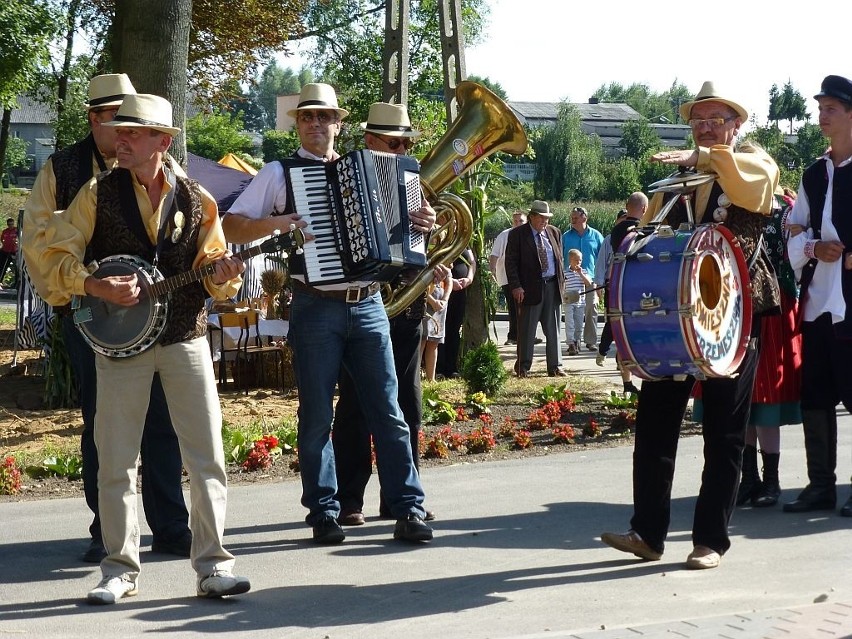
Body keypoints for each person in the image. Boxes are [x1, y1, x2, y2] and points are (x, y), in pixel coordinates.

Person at [39, 93, 250, 604]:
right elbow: (53, 253)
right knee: (115, 459)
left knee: (207, 458)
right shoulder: (95, 192)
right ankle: (119, 569)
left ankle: (213, 567)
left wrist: (226, 276)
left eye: (133, 132)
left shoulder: (200, 201)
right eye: (119, 130)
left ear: (163, 140)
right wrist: (96, 287)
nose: (120, 139)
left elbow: (215, 266)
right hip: (118, 346)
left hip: (185, 337)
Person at [222, 85, 433, 544]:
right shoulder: (280, 172)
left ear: (340, 123)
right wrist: (277, 223)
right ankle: (323, 510)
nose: (316, 124)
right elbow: (231, 224)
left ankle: (408, 507)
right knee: (317, 413)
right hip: (314, 304)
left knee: (389, 410)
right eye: (307, 117)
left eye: (325, 117)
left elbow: (405, 229)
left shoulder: (374, 168)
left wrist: (421, 223)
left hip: (370, 302)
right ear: (297, 123)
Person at [601, 81, 781, 570]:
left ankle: (709, 541)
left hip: (736, 312)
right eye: (698, 120)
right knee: (655, 422)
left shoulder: (756, 162)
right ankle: (647, 533)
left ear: (736, 125)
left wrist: (703, 159)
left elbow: (751, 192)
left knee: (724, 430)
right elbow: (650, 243)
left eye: (715, 119)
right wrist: (629, 326)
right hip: (677, 317)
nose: (704, 127)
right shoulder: (681, 177)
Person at [21, 74, 191, 564]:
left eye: (130, 121)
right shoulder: (63, 168)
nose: (123, 131)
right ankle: (106, 528)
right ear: (95, 119)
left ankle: (172, 526)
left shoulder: (163, 165)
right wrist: (85, 283)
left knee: (161, 420)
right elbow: (38, 238)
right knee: (102, 423)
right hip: (89, 315)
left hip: (155, 318)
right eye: (115, 119)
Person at [329, 101, 436, 526]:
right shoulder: (345, 179)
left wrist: (426, 226)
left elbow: (422, 247)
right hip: (362, 303)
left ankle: (399, 500)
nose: (402, 149)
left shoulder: (412, 184)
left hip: (404, 304)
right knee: (356, 402)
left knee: (407, 403)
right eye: (394, 142)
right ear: (370, 140)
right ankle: (348, 497)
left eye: (406, 142)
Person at [784, 74, 852, 518]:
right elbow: (789, 236)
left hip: (851, 304)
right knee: (816, 395)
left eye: (830, 107)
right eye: (820, 106)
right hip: (816, 304)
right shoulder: (812, 173)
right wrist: (812, 247)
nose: (821, 114)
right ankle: (821, 486)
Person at [504, 199, 567, 377]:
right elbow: (511, 263)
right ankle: (523, 367)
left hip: (552, 286)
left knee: (554, 329)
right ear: (531, 217)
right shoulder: (517, 234)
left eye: (547, 218)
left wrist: (562, 282)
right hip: (528, 289)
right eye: (541, 218)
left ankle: (555, 366)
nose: (545, 222)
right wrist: (516, 286)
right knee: (527, 330)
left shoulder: (554, 232)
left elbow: (559, 259)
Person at [597, 193, 647, 396]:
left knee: (619, 330)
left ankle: (626, 382)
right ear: (644, 209)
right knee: (631, 336)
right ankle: (630, 380)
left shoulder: (617, 230)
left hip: (618, 286)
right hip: (638, 289)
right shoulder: (645, 231)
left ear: (627, 207)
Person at [562, 206, 603, 352]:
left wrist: (600, 280)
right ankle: (574, 341)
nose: (572, 219)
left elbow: (603, 258)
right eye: (572, 217)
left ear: (584, 218)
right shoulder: (566, 237)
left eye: (576, 217)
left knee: (591, 307)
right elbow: (559, 257)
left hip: (590, 279)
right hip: (572, 280)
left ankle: (591, 341)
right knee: (573, 313)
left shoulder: (596, 236)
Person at [436, 246, 476, 378]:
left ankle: (452, 368)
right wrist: (450, 281)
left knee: (454, 329)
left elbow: (472, 262)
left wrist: (469, 279)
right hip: (443, 290)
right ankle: (439, 369)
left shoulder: (464, 241)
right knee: (441, 329)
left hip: (460, 291)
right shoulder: (440, 238)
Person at [490, 211, 527, 345]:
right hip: (507, 277)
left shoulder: (528, 235)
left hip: (526, 278)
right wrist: (492, 270)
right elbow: (494, 254)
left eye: (521, 221)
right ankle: (512, 336)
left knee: (526, 308)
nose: (518, 223)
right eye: (515, 221)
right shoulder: (505, 235)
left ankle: (525, 336)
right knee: (513, 307)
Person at [422, 267, 452, 382]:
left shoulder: (446, 261)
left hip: (440, 305)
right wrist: (432, 301)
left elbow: (449, 281)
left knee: (434, 342)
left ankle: (431, 379)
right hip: (425, 302)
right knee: (422, 340)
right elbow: (419, 284)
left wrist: (444, 300)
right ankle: (415, 377)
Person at [562, 248, 591, 356]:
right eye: (576, 260)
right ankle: (570, 343)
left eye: (580, 260)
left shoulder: (583, 271)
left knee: (579, 324)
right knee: (570, 323)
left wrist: (581, 274)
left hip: (580, 302)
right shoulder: (565, 273)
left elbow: (588, 284)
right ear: (570, 260)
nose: (578, 263)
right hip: (569, 301)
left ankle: (577, 340)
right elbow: (562, 286)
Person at [0, 218, 18, 288]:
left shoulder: (17, 231)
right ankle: (0, 281)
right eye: (9, 224)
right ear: (7, 224)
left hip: (14, 252)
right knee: (2, 266)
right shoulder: (5, 231)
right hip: (5, 251)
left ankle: (16, 283)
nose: (11, 226)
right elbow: (2, 239)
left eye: (12, 224)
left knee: (16, 267)